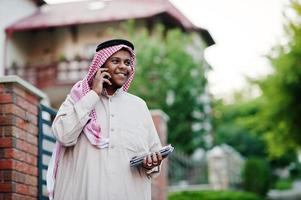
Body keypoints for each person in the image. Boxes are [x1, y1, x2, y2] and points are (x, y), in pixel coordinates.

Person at [47, 39, 165, 200]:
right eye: (115, 61)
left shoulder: (139, 106)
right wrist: (93, 95)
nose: (123, 66)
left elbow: (154, 153)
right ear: (100, 66)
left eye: (127, 62)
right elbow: (63, 134)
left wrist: (152, 164)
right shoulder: (79, 98)